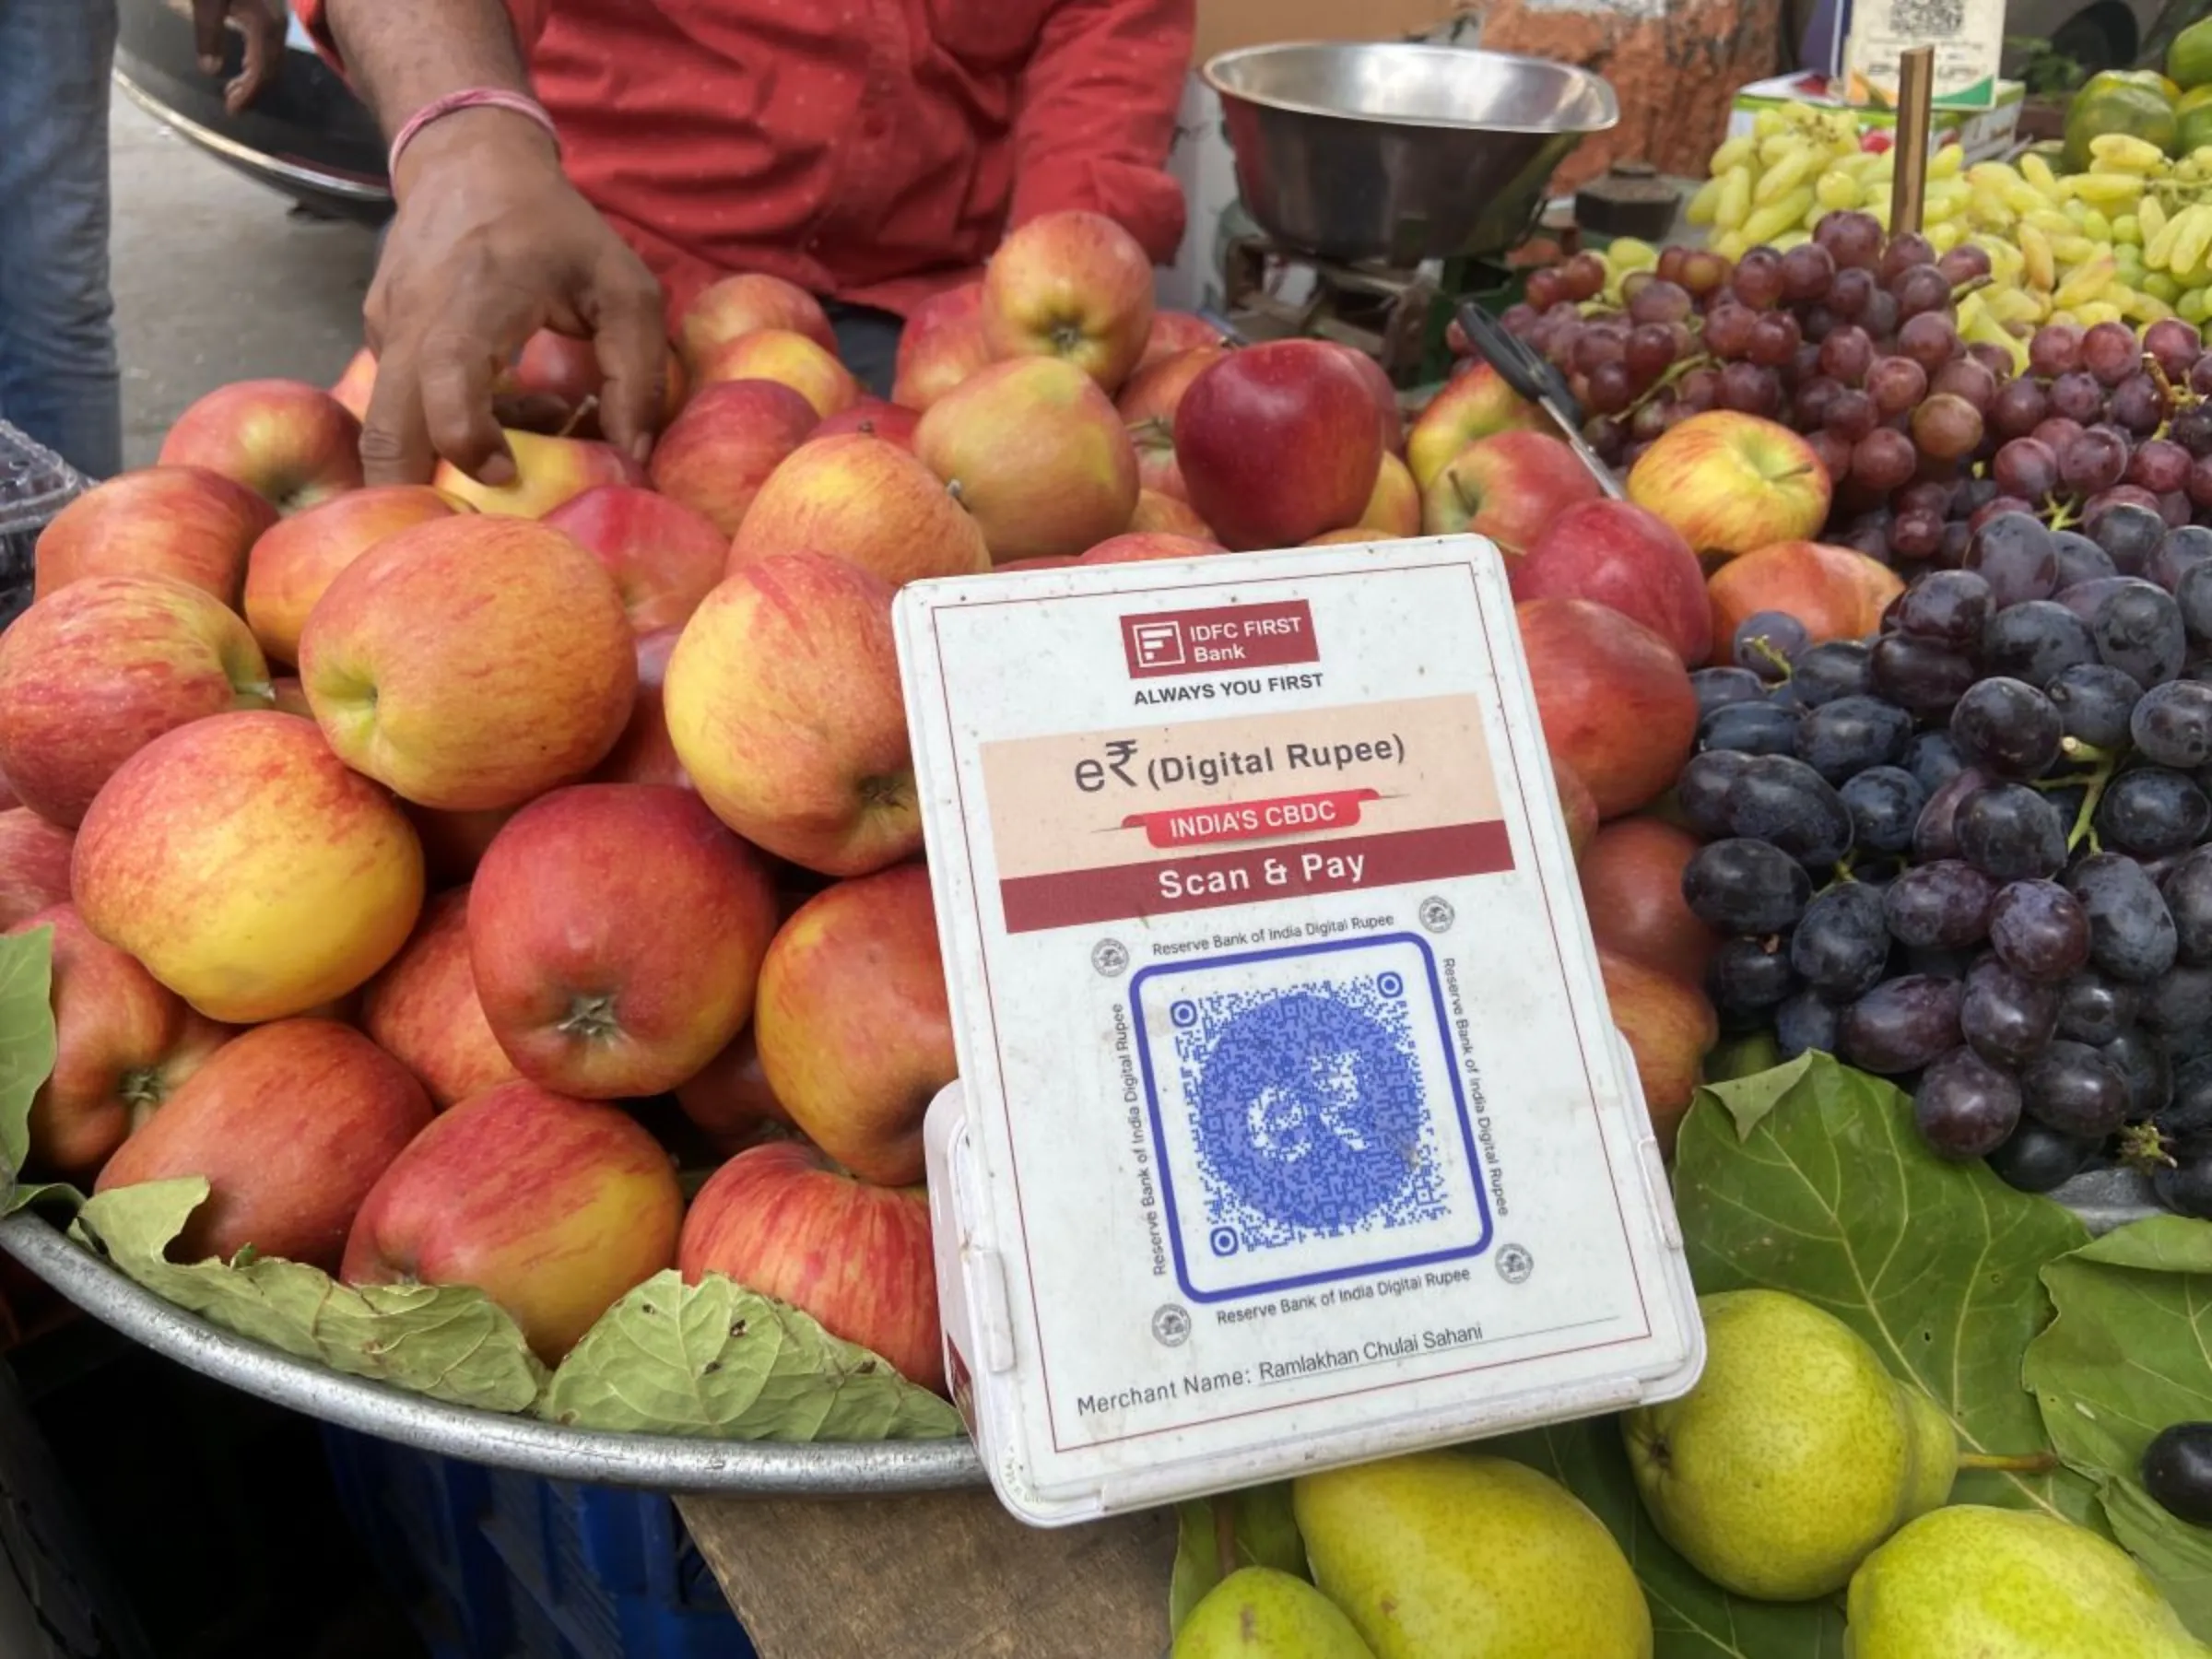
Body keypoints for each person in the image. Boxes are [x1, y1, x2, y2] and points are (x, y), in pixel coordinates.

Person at [276, 0, 1194, 491]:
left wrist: (1068, 264)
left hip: (941, 311)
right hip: (596, 286)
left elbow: (1103, 36)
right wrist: (467, 138)